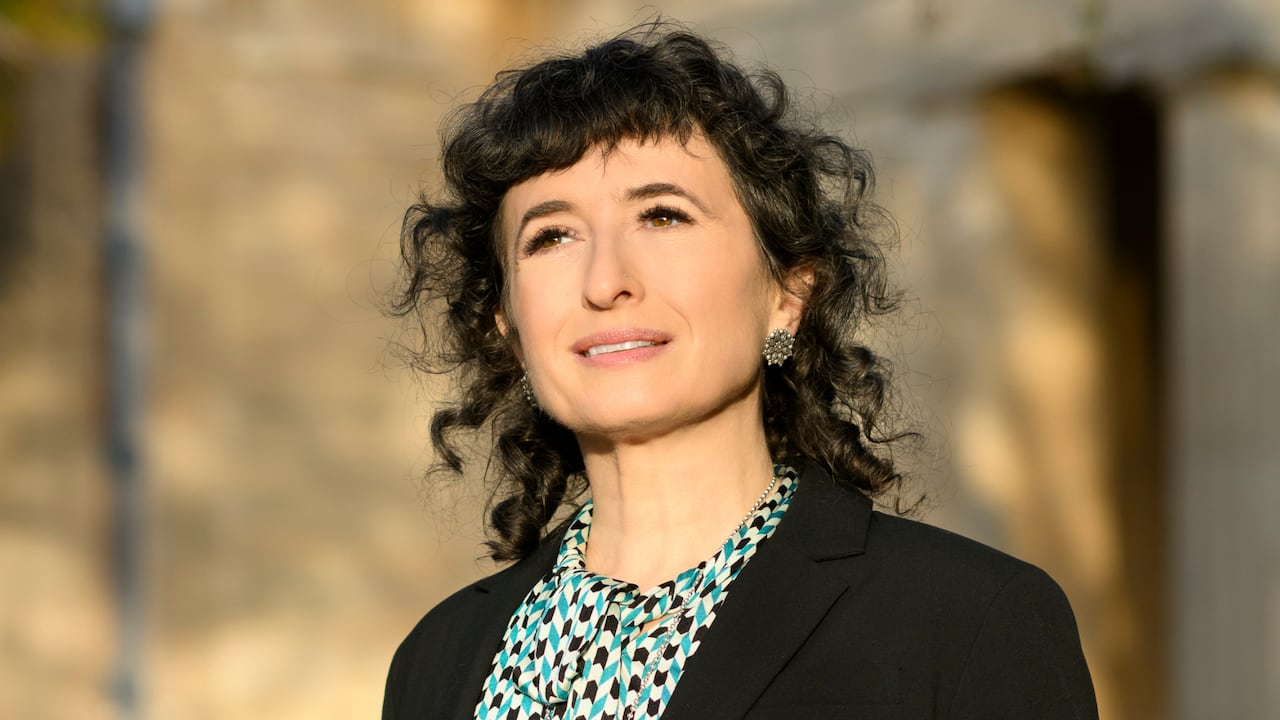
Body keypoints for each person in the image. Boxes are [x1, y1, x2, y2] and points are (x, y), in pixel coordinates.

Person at [383, 22, 1098, 720]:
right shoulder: (439, 658)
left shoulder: (967, 618)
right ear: (510, 330)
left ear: (787, 295)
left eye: (662, 216)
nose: (605, 281)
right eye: (552, 236)